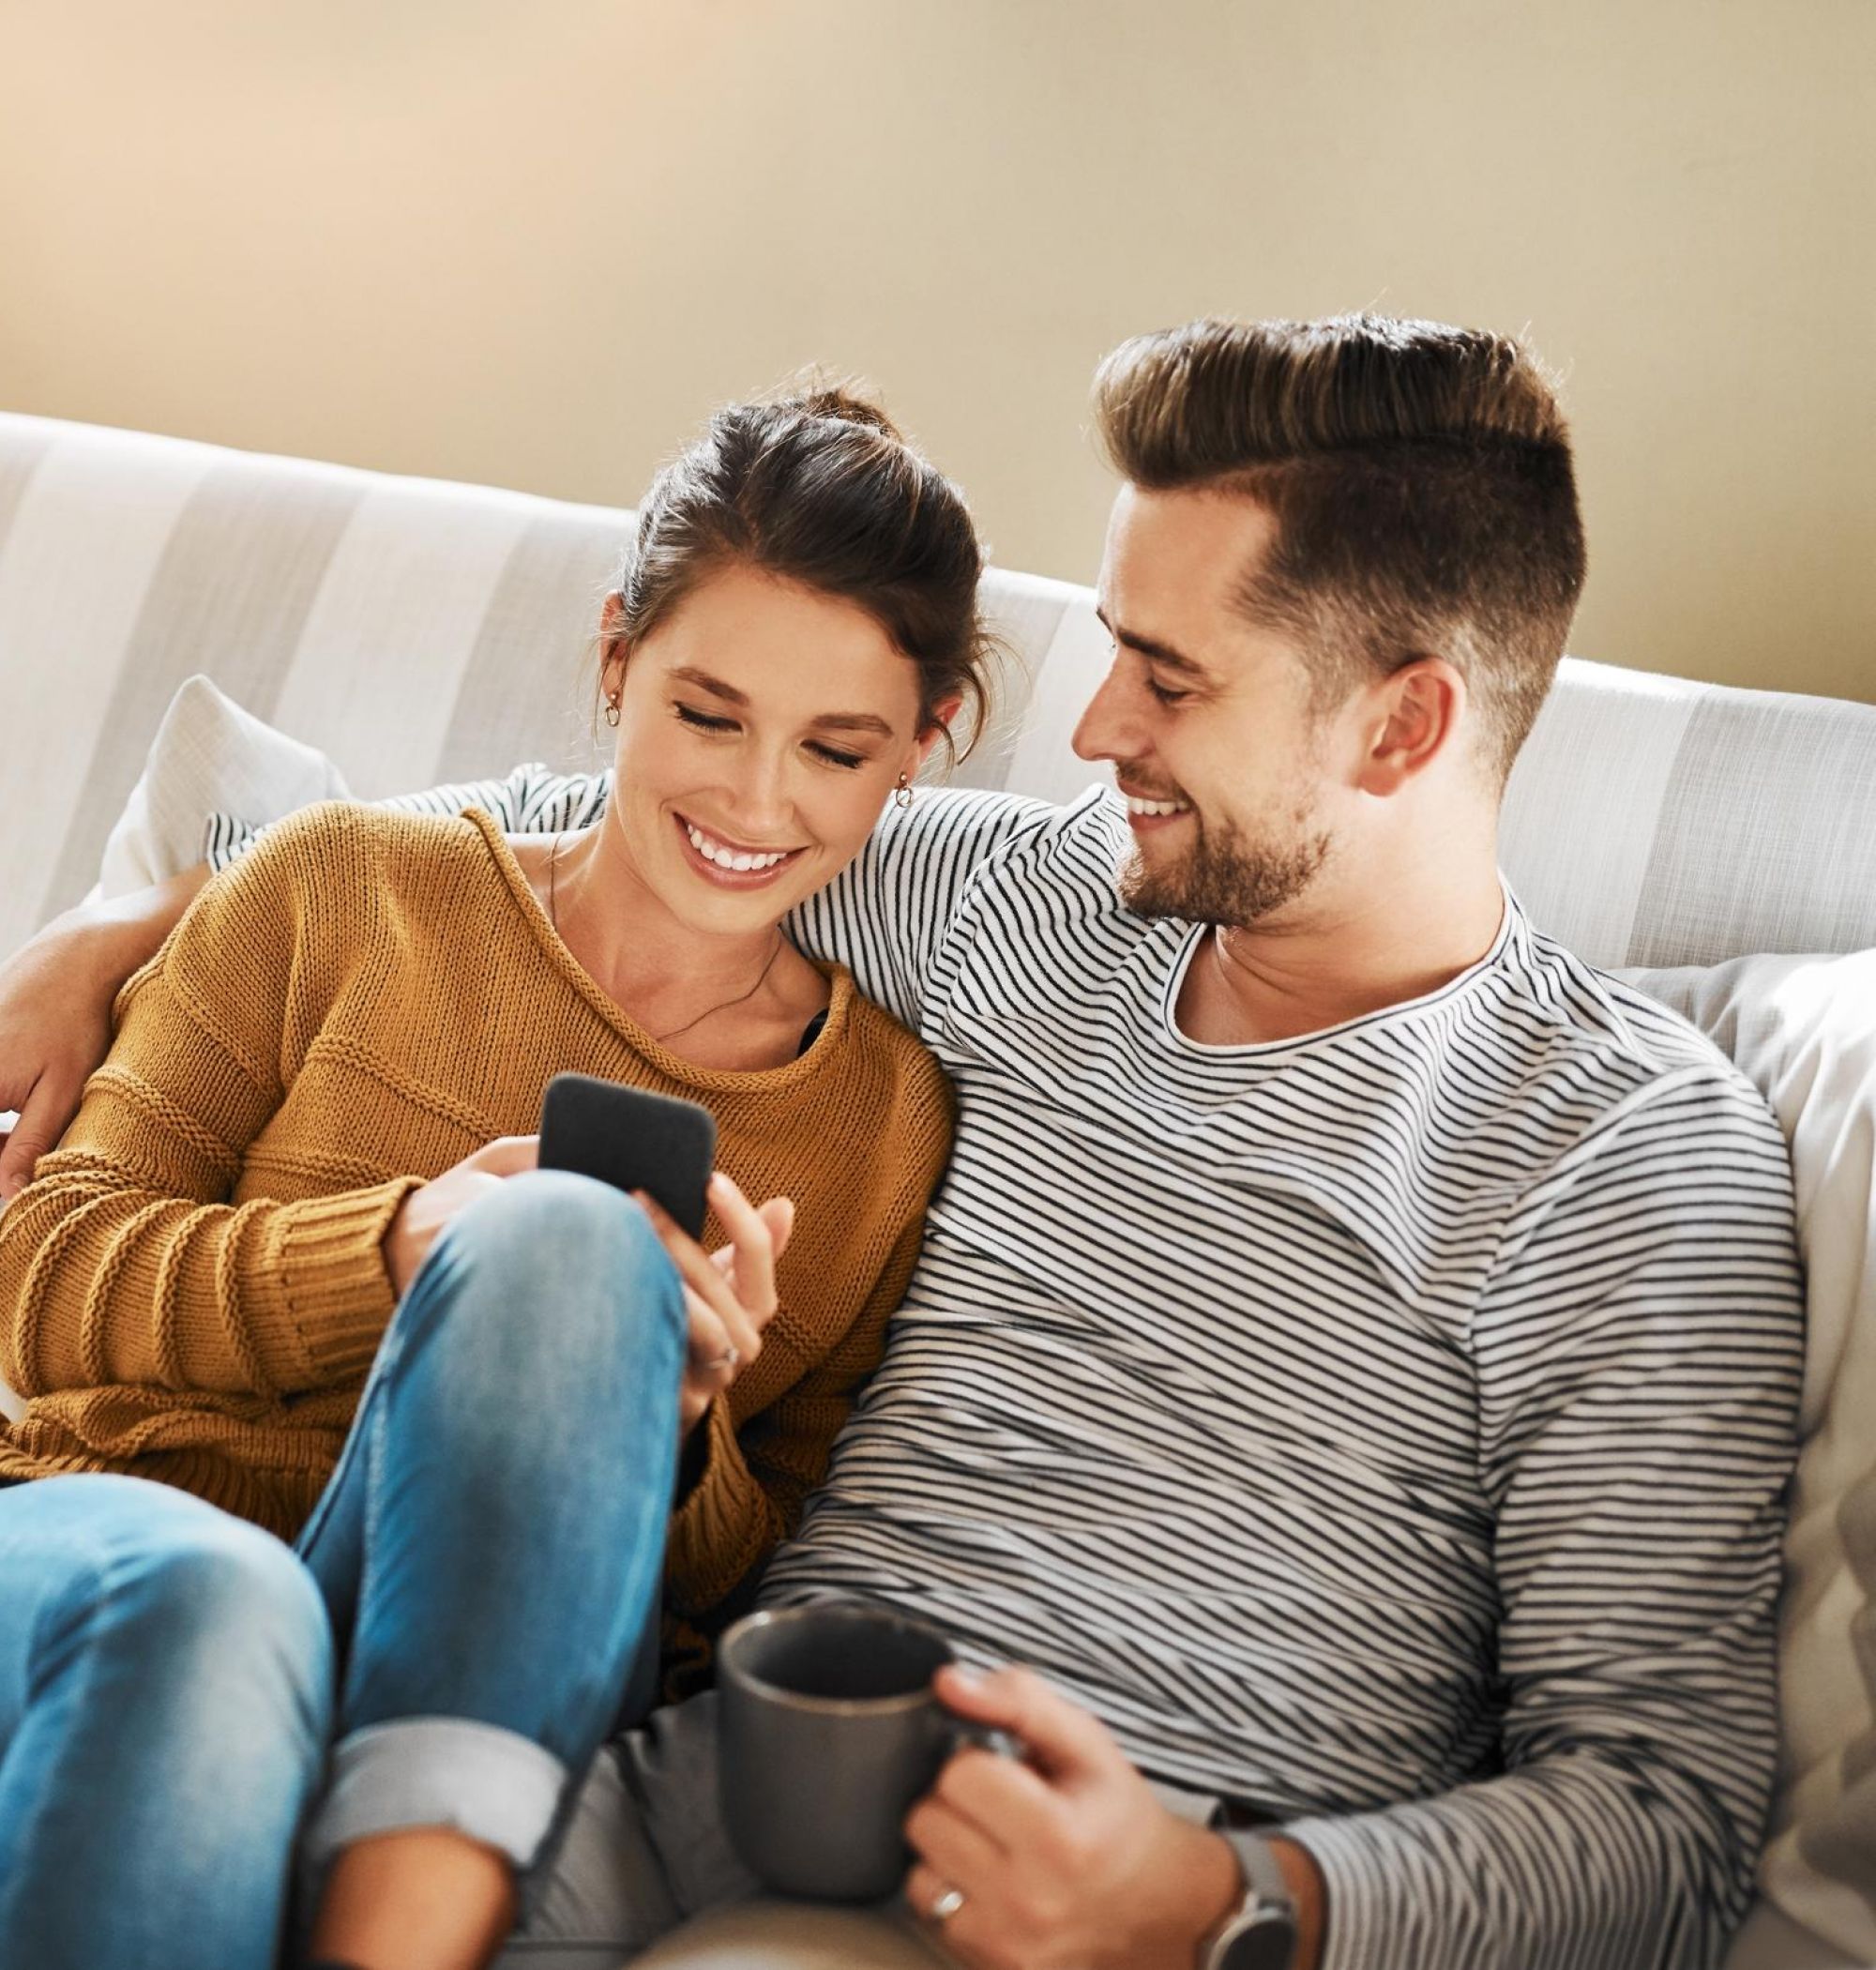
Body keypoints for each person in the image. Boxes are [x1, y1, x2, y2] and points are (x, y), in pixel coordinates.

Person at [0, 316, 1804, 1970]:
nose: (1095, 734)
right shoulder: (1035, 908)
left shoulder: (1626, 1156)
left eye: (1171, 685)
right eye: (1109, 655)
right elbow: (584, 837)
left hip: (1105, 1862)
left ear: (1404, 723)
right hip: (682, 1778)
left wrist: (1224, 1901)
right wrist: (128, 924)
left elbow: (1665, 1815)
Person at [0, 387, 988, 1970]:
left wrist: (665, 1433)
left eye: (837, 749)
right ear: (615, 663)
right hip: (111, 1541)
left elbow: (747, 1575)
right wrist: (390, 1247)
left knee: (571, 1252)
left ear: (922, 749)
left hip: (489, 1665)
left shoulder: (879, 1120)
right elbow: (37, 1282)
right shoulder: (339, 884)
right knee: (211, 1598)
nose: (752, 800)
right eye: (707, 713)